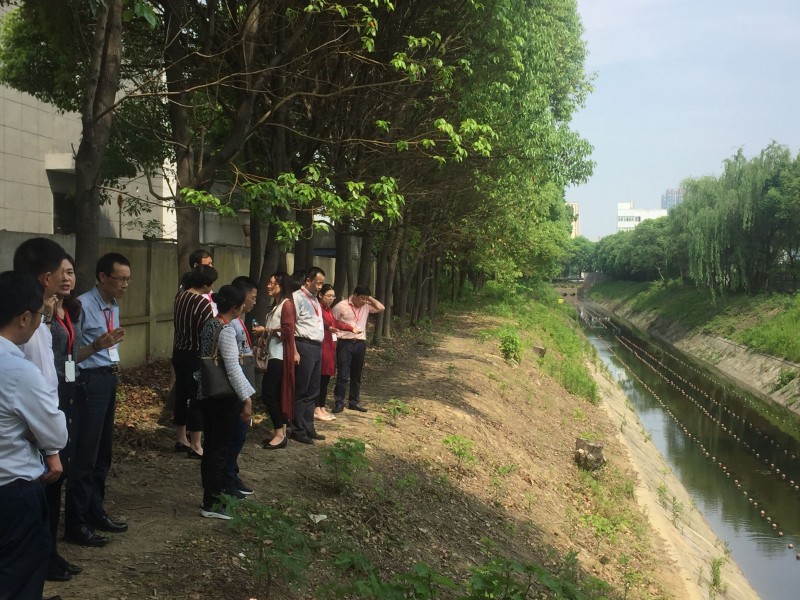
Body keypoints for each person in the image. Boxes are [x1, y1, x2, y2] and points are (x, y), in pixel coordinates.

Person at [0, 271, 68, 600]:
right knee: (18, 578)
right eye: (41, 316)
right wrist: (31, 431)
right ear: (25, 317)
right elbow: (55, 431)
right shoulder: (18, 370)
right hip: (12, 491)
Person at [65, 253, 129, 547]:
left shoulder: (112, 305)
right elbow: (71, 356)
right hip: (89, 382)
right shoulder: (81, 306)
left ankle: (95, 512)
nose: (125, 284)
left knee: (103, 453)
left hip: (108, 378)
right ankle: (76, 523)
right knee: (86, 455)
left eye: (128, 279)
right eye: (120, 278)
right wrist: (97, 345)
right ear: (102, 277)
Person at [198, 285, 255, 519]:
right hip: (222, 398)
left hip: (207, 393)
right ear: (236, 307)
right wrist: (247, 398)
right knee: (219, 449)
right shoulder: (226, 329)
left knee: (212, 447)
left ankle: (213, 496)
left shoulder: (210, 324)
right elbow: (232, 368)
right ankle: (212, 502)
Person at [172, 265, 218, 458]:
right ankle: (196, 444)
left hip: (178, 351)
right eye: (211, 284)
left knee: (181, 394)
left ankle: (181, 438)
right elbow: (208, 332)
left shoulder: (180, 297)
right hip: (195, 354)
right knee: (197, 397)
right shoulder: (202, 303)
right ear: (206, 284)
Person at [224, 276, 262, 496]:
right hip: (235, 389)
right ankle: (226, 479)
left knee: (239, 436)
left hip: (242, 385)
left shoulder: (238, 321)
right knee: (233, 436)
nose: (255, 302)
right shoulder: (228, 325)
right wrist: (245, 396)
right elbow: (231, 364)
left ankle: (232, 474)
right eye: (253, 297)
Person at [258, 272, 299, 449]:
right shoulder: (275, 306)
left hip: (279, 356)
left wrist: (266, 331)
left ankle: (280, 434)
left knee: (268, 394)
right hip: (272, 355)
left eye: (272, 283)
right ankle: (280, 433)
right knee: (274, 395)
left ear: (281, 286)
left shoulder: (287, 305)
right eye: (269, 282)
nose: (268, 286)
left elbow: (288, 331)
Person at [332, 285, 385, 413]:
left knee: (356, 375)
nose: (363, 301)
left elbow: (381, 308)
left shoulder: (366, 306)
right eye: (362, 298)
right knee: (343, 374)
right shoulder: (341, 306)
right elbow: (332, 321)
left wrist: (369, 298)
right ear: (354, 295)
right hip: (345, 342)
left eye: (366, 299)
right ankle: (339, 402)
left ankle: (354, 402)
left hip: (360, 343)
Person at [291, 267, 326, 444]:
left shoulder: (314, 299)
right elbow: (291, 325)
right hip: (304, 345)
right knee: (302, 389)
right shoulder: (297, 297)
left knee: (313, 390)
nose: (320, 287)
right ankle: (297, 428)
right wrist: (294, 350)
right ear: (308, 280)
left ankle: (308, 426)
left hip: (317, 346)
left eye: (321, 284)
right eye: (317, 283)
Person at [316, 284, 358, 422]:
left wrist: (350, 328)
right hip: (321, 347)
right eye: (328, 295)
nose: (331, 299)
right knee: (319, 380)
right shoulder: (317, 308)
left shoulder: (328, 310)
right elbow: (322, 323)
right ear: (320, 295)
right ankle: (316, 408)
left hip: (330, 348)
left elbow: (335, 323)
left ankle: (322, 406)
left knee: (325, 380)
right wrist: (329, 327)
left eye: (333, 296)